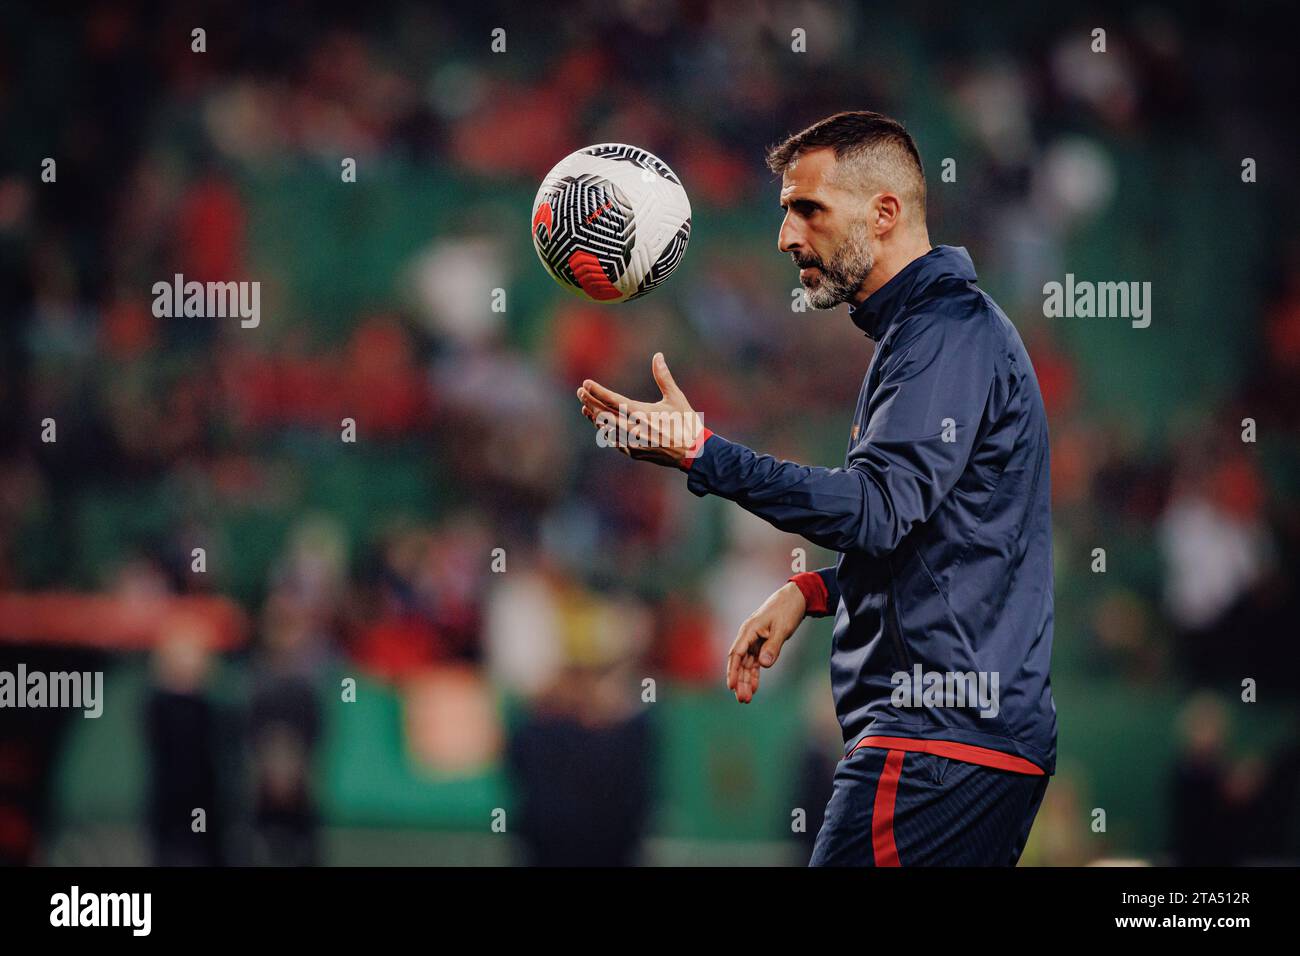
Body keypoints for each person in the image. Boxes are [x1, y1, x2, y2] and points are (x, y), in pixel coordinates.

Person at [577, 111, 1056, 866]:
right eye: (783, 212)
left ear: (885, 212)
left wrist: (705, 454)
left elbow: (874, 510)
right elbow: (947, 536)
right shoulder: (939, 332)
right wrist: (816, 592)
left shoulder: (942, 332)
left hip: (933, 743)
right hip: (968, 743)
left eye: (809, 209)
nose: (787, 236)